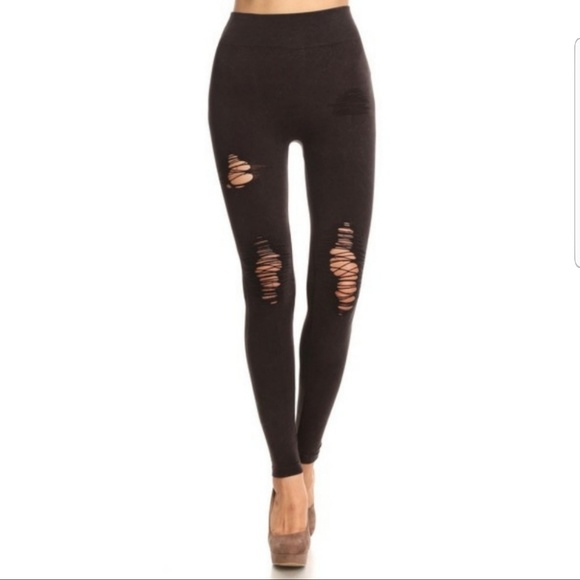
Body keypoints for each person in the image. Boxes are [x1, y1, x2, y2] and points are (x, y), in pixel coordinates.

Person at [208, 0, 375, 566]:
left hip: (337, 66)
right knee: (268, 281)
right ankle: (285, 477)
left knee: (341, 280)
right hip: (246, 73)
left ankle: (305, 459)